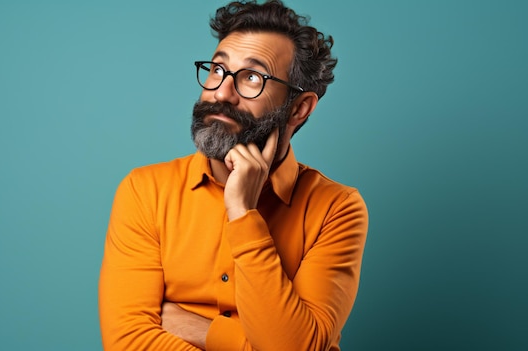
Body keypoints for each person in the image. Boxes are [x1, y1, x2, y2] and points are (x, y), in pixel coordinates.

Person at [98, 1, 368, 350]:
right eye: (217, 70)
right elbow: (127, 341)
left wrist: (243, 214)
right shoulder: (146, 191)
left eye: (252, 77)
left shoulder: (337, 209)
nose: (221, 92)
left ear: (299, 108)